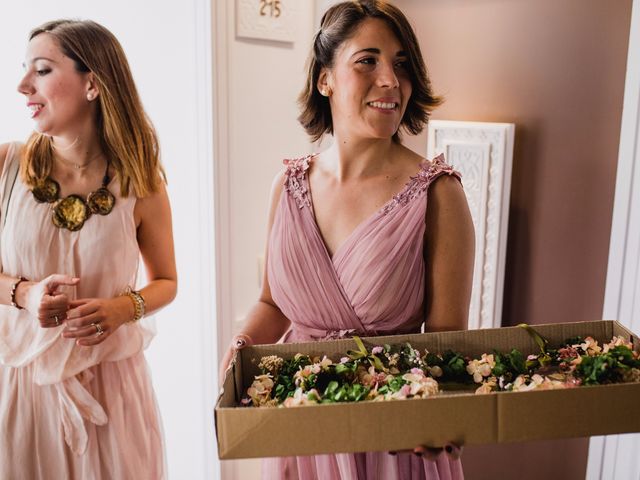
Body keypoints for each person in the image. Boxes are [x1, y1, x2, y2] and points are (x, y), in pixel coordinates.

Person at [220, 1, 474, 478]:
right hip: (305, 429)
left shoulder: (439, 194)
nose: (390, 80)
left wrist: (433, 414)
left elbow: (445, 345)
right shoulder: (288, 186)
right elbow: (274, 304)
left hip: (392, 439)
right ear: (325, 78)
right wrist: (243, 344)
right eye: (367, 60)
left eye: (402, 65)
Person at [0, 19, 176, 479]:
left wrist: (123, 308)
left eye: (40, 70)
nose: (22, 86)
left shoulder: (142, 181)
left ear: (92, 83)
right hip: (21, 387)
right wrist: (27, 294)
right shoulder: (6, 167)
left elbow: (167, 282)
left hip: (114, 391)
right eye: (25, 70)